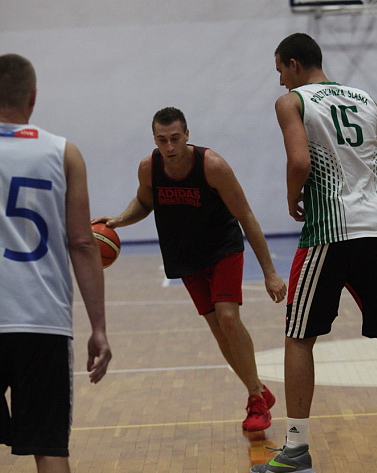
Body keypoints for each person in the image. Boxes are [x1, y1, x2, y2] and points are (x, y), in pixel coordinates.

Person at [251, 33, 377, 473]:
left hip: (330, 231)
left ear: (293, 64)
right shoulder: (368, 100)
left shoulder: (292, 102)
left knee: (298, 337)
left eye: (280, 71)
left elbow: (299, 162)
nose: (280, 81)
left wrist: (291, 196)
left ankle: (296, 449)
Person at [0, 54, 112, 473]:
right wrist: (98, 326)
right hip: (40, 320)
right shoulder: (63, 152)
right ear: (33, 98)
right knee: (50, 451)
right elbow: (82, 242)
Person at [93, 107, 286, 432]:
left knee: (228, 318)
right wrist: (118, 220)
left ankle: (256, 398)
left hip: (222, 248)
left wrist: (270, 272)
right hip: (184, 253)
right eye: (162, 140)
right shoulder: (149, 168)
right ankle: (258, 389)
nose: (169, 146)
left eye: (175, 138)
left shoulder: (212, 166)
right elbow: (144, 202)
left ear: (187, 135)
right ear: (154, 139)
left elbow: (246, 216)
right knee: (218, 328)